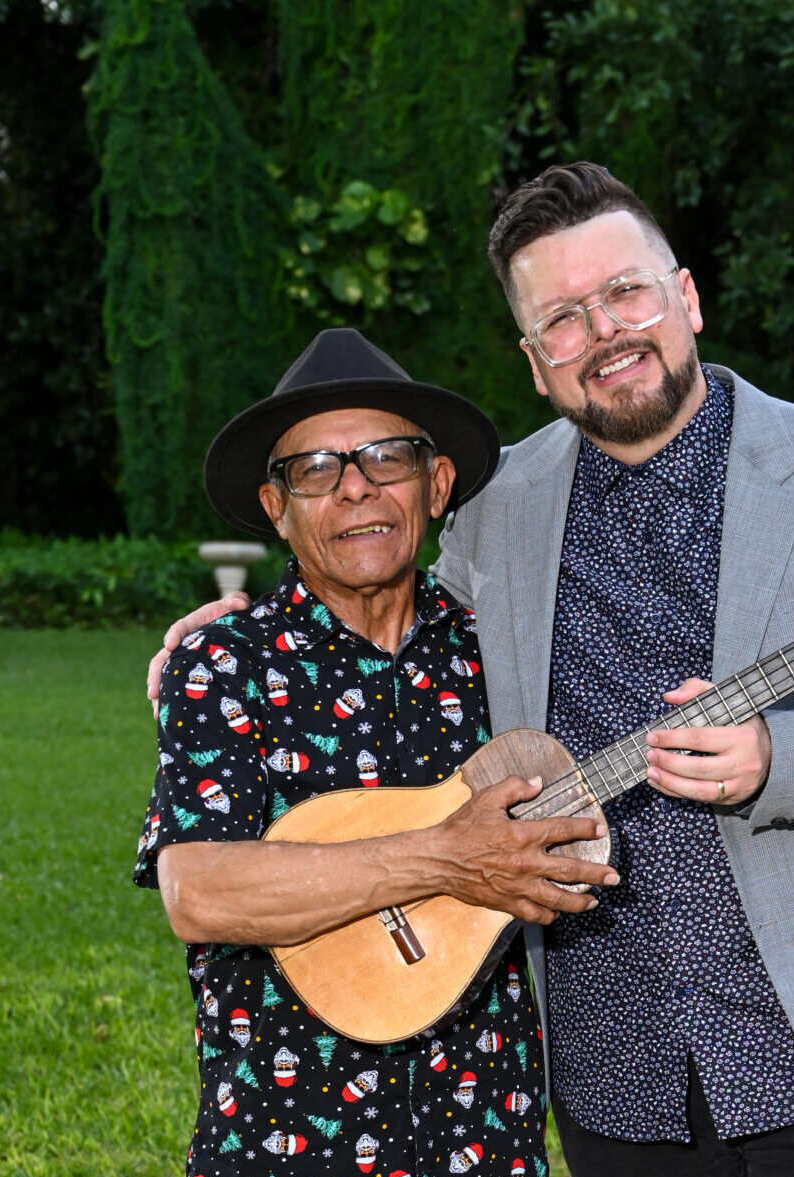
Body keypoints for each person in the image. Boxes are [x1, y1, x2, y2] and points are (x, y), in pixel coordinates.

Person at [156, 162, 794, 1177]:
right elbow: (375, 619)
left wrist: (782, 755)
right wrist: (216, 644)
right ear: (534, 361)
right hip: (613, 1067)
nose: (603, 331)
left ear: (684, 296)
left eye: (625, 292)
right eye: (562, 317)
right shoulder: (493, 511)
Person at [135, 328, 616, 1177]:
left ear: (435, 485)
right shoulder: (226, 663)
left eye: (385, 457)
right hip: (285, 1138)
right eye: (315, 469)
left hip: (485, 1132)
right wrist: (444, 857)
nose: (355, 488)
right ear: (276, 508)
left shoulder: (497, 652)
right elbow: (198, 892)